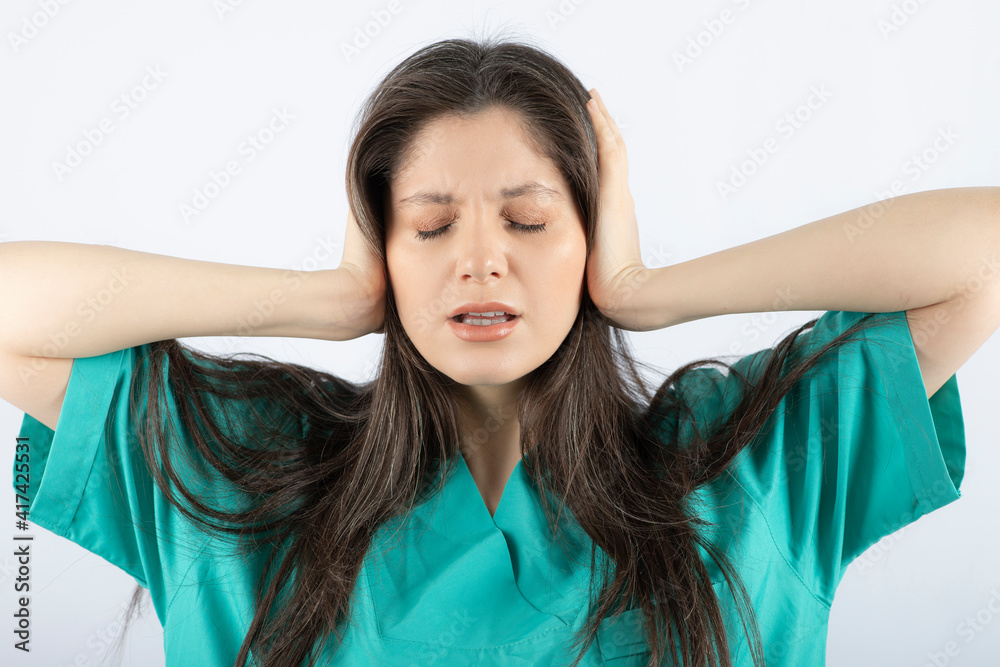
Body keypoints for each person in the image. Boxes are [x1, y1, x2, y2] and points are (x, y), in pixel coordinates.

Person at [2, 34, 995, 667]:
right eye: (430, 228)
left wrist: (649, 290)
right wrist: (326, 297)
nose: (480, 261)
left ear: (590, 240)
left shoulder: (741, 463)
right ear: (381, 247)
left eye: (527, 221)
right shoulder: (253, 467)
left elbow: (981, 249)